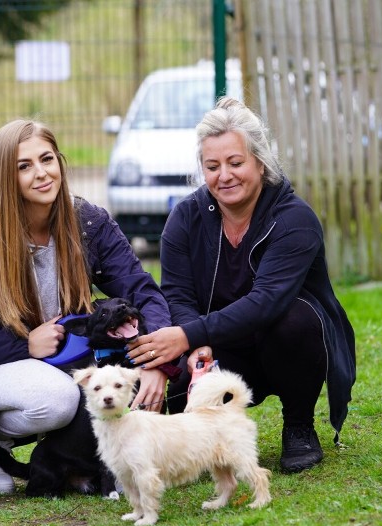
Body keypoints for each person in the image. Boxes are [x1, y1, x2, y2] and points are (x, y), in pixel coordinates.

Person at [0, 119, 171, 505]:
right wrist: (24, 344)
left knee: (112, 390)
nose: (41, 173)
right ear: (5, 178)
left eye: (47, 159)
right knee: (61, 398)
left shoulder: (89, 224)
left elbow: (141, 289)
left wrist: (155, 357)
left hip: (59, 358)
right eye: (24, 166)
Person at [127, 97, 356, 473]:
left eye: (236, 163)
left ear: (260, 163)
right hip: (221, 347)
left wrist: (187, 334)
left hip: (284, 344)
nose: (224, 176)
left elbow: (267, 301)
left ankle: (299, 425)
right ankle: (206, 436)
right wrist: (195, 344)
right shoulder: (185, 217)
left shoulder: (295, 219)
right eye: (212, 166)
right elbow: (177, 294)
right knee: (169, 397)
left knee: (294, 321)